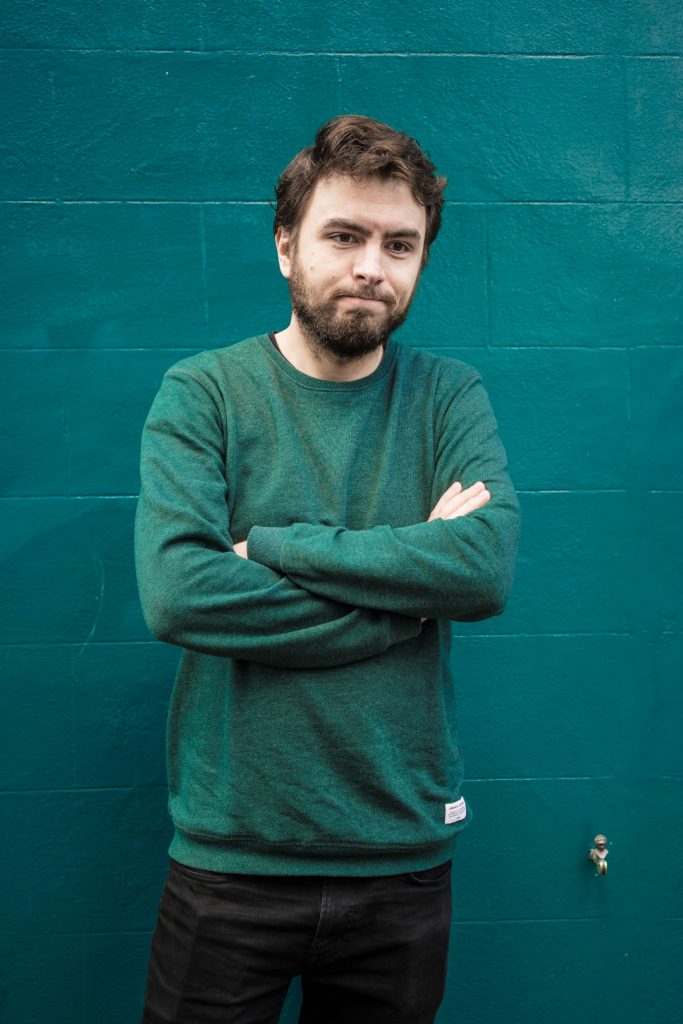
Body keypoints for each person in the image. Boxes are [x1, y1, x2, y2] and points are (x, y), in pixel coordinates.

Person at [135, 114, 520, 1024]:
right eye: (343, 236)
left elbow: (479, 572)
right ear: (285, 245)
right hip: (232, 860)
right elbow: (181, 594)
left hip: (400, 859)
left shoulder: (447, 396)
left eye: (399, 244)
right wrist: (405, 598)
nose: (371, 267)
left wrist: (274, 546)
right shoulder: (204, 393)